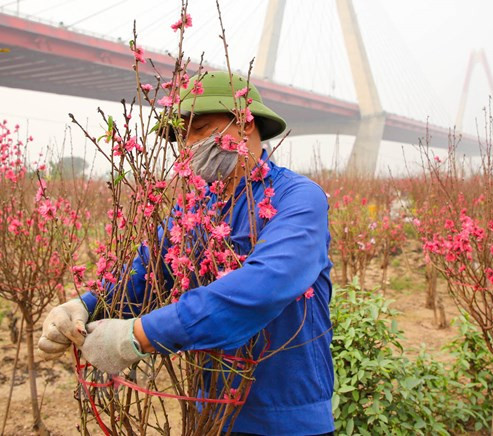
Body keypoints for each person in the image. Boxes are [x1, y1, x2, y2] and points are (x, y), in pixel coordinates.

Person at [38, 71, 335, 436]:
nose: (189, 145)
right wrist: (86, 306)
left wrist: (139, 335)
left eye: (202, 129)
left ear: (245, 124)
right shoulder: (194, 208)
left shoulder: (299, 198)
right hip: (208, 408)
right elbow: (148, 271)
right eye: (183, 136)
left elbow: (266, 285)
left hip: (285, 413)